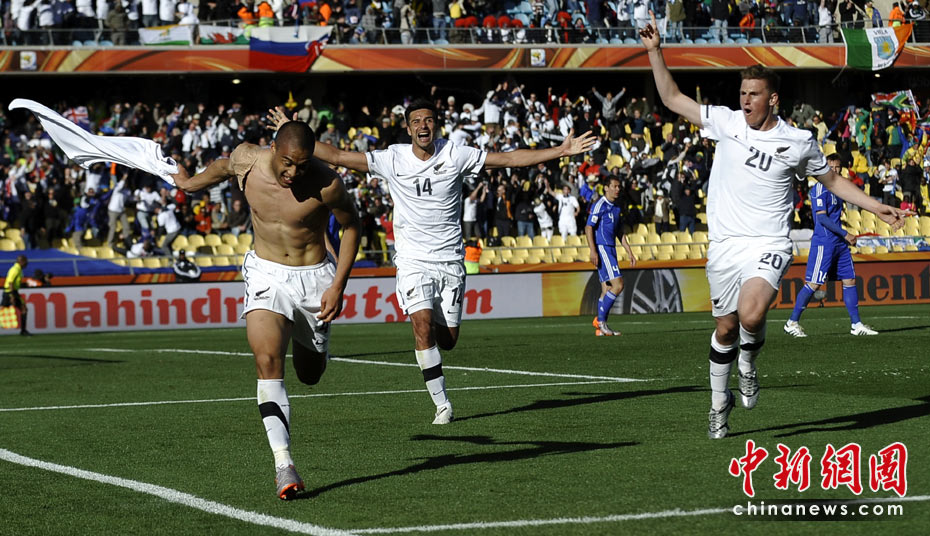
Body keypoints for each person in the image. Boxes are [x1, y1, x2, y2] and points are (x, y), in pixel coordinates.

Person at [639, 13, 910, 440]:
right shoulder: (726, 122)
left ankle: (747, 364)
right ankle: (719, 403)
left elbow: (833, 181)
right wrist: (656, 51)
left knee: (751, 314)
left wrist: (876, 206)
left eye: (754, 94)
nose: (746, 100)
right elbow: (672, 98)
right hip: (724, 245)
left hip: (768, 242)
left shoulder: (799, 142)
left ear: (773, 99)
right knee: (726, 327)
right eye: (742, 93)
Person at [275, 98, 594, 425]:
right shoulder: (393, 158)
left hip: (450, 260)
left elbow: (509, 159)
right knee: (422, 325)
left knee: (448, 339)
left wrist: (560, 151)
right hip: (412, 260)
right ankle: (442, 405)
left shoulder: (455, 154)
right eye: (416, 121)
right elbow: (340, 156)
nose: (422, 126)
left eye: (428, 120)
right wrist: (295, 134)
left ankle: (442, 358)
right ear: (408, 127)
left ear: (436, 125)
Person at [170, 120, 361, 500]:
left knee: (310, 374)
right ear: (274, 150)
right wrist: (189, 183)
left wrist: (338, 285)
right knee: (267, 359)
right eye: (287, 163)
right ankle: (283, 464)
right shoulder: (248, 160)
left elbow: (352, 225)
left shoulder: (328, 184)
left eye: (302, 165)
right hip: (266, 273)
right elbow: (222, 167)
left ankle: (316, 351)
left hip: (315, 279)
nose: (293, 173)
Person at [784, 154, 878, 338]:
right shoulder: (820, 188)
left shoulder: (839, 189)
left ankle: (856, 324)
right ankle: (791, 322)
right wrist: (845, 234)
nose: (834, 171)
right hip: (824, 242)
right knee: (814, 283)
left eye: (837, 167)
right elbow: (822, 218)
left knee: (849, 279)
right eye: (831, 167)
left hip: (839, 243)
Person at [586, 176, 637, 336]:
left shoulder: (617, 207)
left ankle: (600, 328)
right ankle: (600, 322)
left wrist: (629, 251)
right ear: (606, 188)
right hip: (602, 248)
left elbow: (619, 232)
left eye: (619, 186)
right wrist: (593, 250)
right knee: (618, 285)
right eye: (614, 186)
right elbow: (588, 227)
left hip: (611, 248)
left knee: (607, 288)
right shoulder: (599, 205)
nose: (617, 189)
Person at [2, 255, 31, 336]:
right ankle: (23, 331)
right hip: (9, 292)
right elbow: (10, 282)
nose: (27, 263)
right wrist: (12, 296)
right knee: (2, 310)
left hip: (13, 292)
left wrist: (23, 284)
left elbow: (15, 282)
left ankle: (23, 331)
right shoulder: (15, 269)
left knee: (24, 308)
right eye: (25, 262)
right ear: (21, 261)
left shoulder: (18, 269)